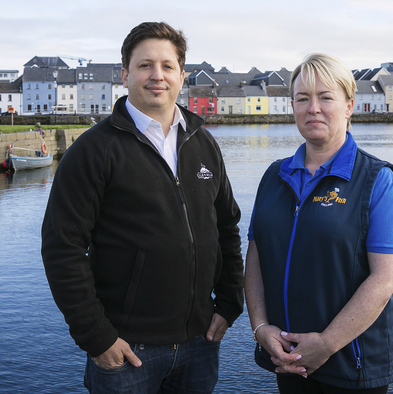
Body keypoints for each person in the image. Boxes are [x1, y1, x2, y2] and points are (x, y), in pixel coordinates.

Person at [41, 21, 244, 394]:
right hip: (127, 350)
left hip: (200, 344)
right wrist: (97, 336)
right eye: (145, 65)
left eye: (167, 66)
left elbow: (226, 226)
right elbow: (62, 247)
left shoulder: (203, 144)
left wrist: (231, 303)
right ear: (125, 74)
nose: (157, 76)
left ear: (182, 76)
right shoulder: (93, 151)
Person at [244, 53, 393, 394]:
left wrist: (327, 342)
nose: (312, 108)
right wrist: (260, 327)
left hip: (352, 365)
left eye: (325, 97)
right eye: (303, 98)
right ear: (292, 106)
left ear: (349, 106)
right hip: (288, 359)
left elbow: (385, 278)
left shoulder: (378, 180)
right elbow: (256, 257)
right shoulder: (274, 177)